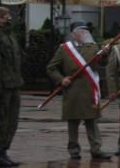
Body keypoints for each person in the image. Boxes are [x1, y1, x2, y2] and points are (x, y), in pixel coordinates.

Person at [47, 22, 112, 160]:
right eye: (82, 31)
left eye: (86, 31)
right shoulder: (64, 49)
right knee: (73, 121)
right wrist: (61, 79)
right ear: (74, 33)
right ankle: (74, 150)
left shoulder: (92, 47)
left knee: (91, 120)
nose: (85, 34)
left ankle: (96, 149)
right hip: (72, 89)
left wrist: (105, 55)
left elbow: (102, 63)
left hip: (89, 88)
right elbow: (51, 68)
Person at [0, 6, 23, 167]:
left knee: (12, 120)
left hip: (14, 83)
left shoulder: (10, 36)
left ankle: (4, 150)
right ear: (0, 19)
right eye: (6, 16)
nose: (9, 18)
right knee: (1, 119)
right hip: (3, 85)